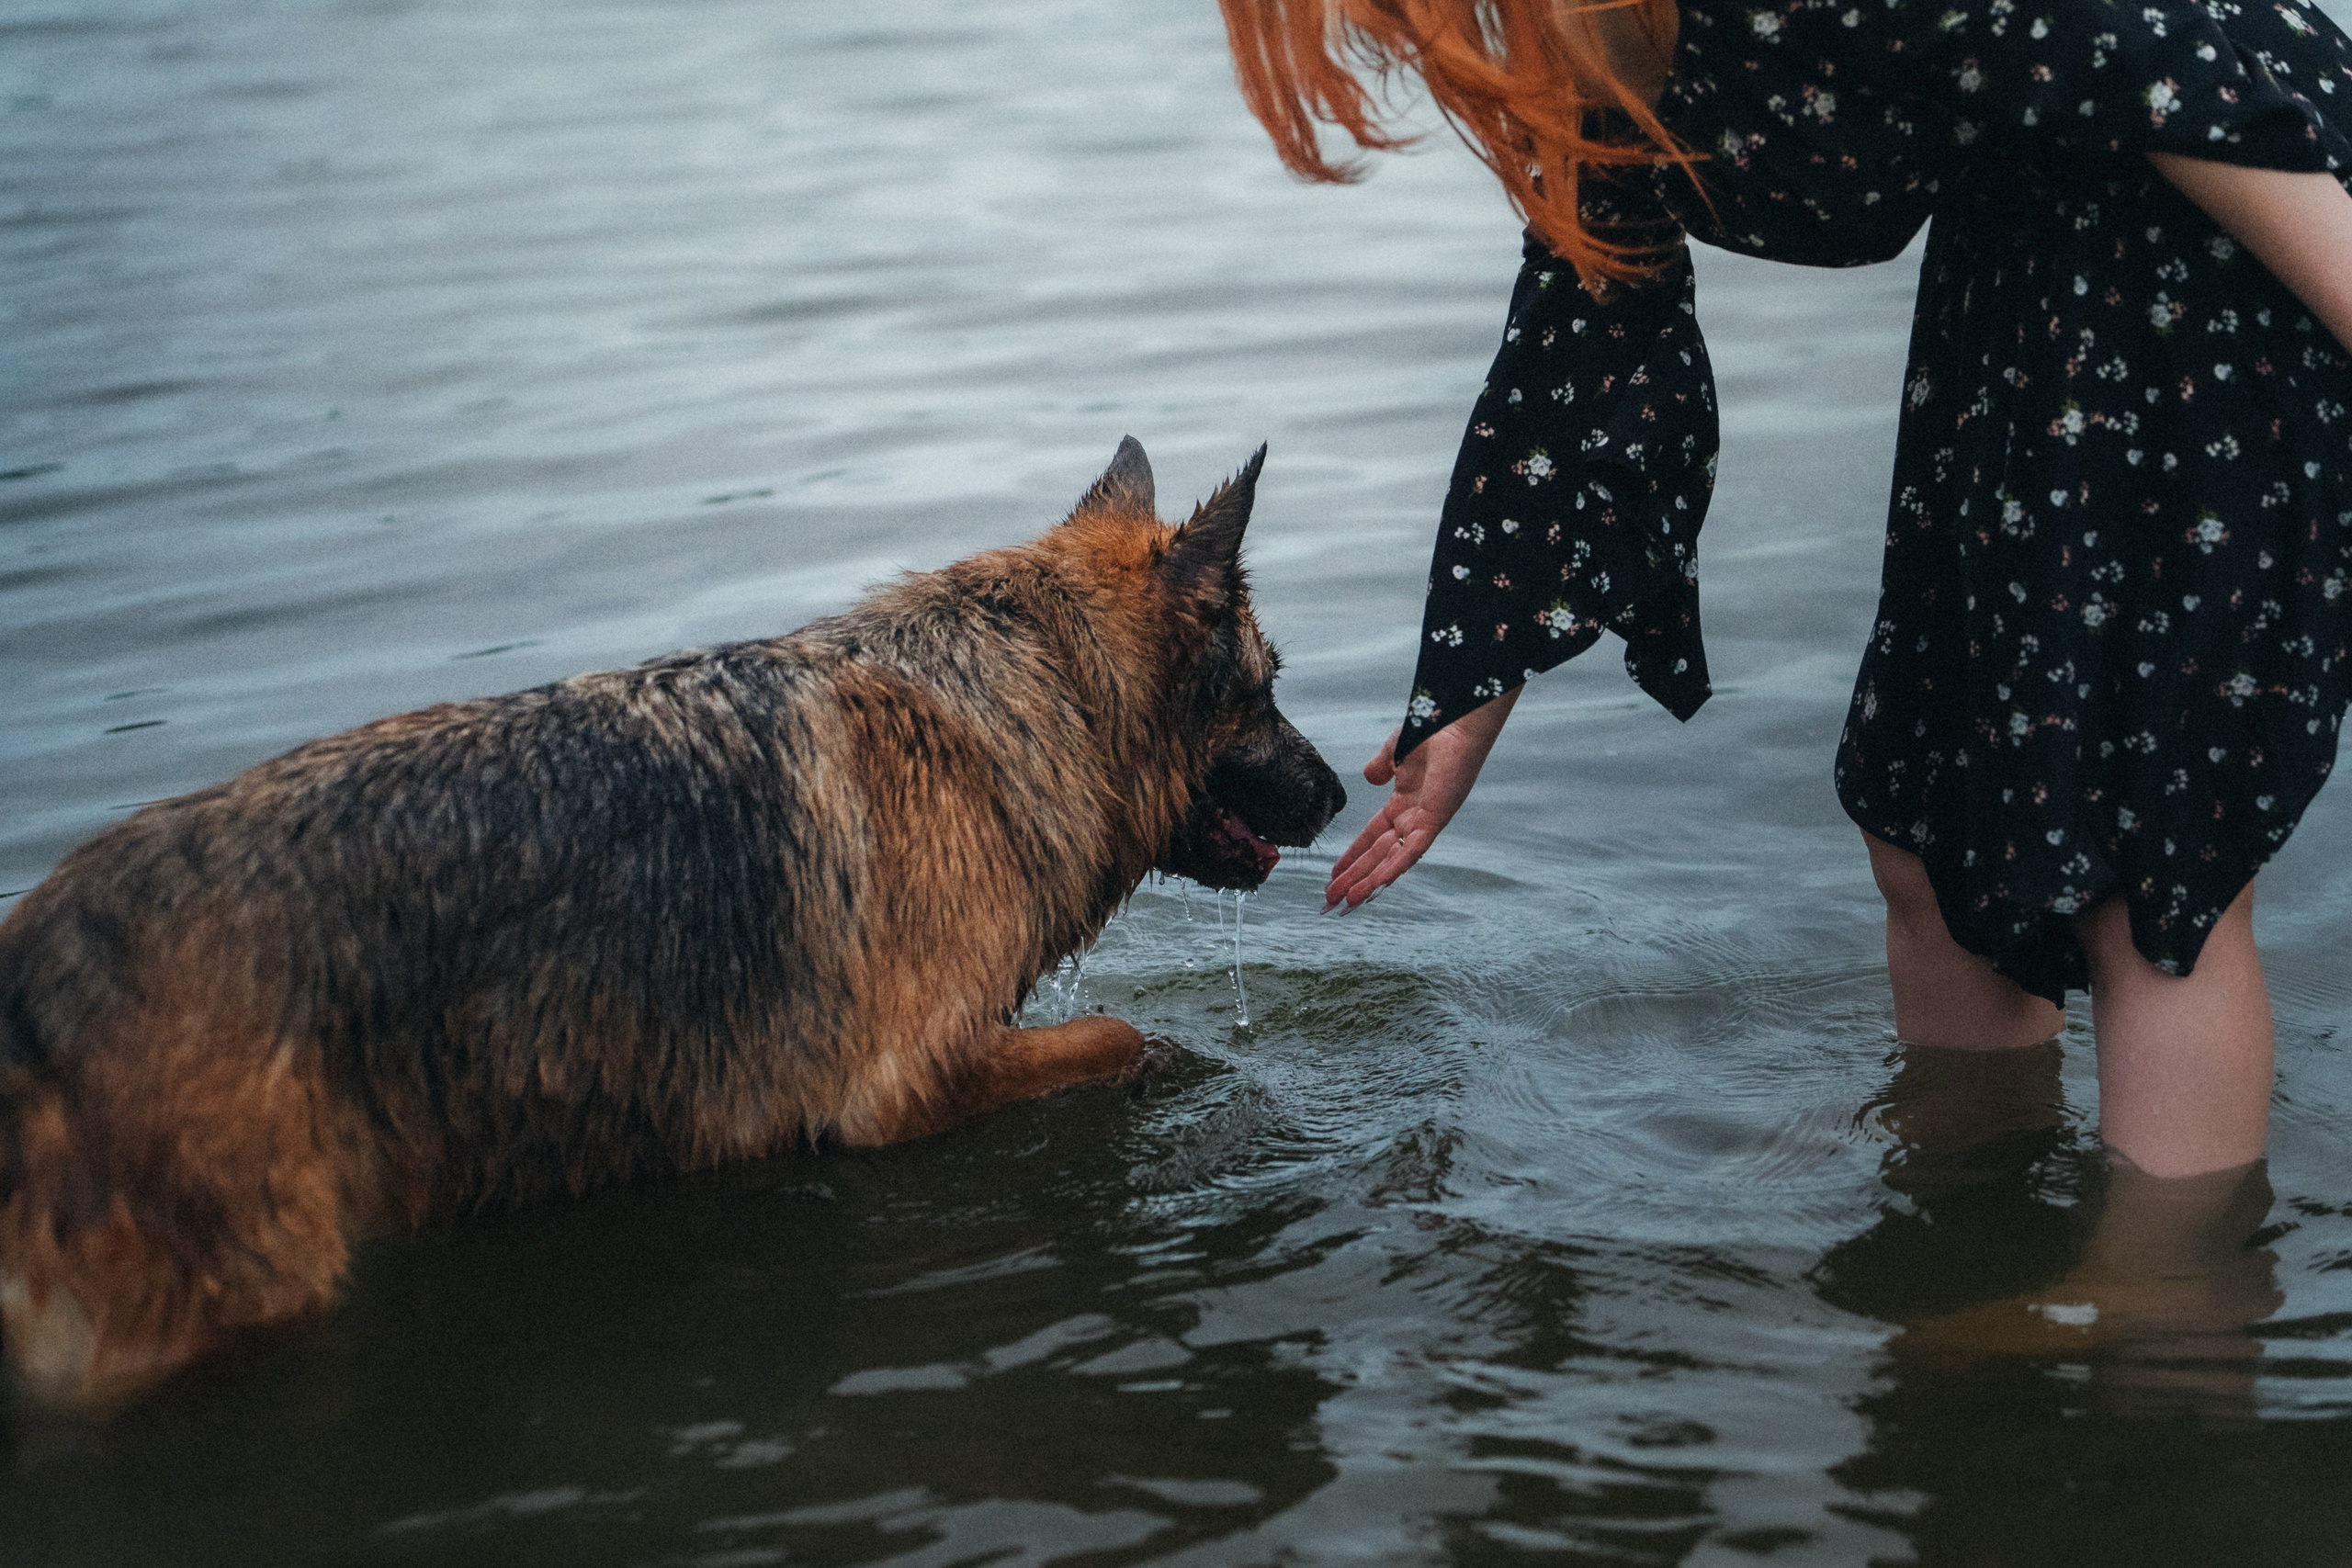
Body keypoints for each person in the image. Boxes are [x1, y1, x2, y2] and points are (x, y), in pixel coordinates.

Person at [1216, 0, 2352, 1181]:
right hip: (2029, 248)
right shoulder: (1580, 51)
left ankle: (2167, 1310)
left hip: (2235, 229)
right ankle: (1961, 1204)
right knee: (1922, 821)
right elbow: (1582, 338)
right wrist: (1466, 696)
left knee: (2148, 875)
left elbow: (2168, 67)